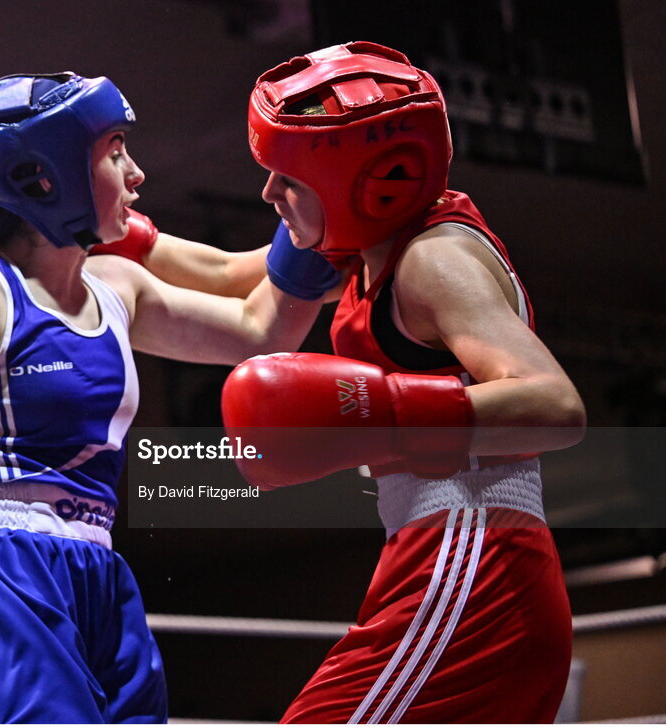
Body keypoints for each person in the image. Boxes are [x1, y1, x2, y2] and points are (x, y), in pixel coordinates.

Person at [0, 71, 327, 723]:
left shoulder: (119, 289)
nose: (136, 174)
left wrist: (328, 210)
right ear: (44, 175)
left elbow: (260, 330)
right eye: (114, 151)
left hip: (100, 575)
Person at [95, 41, 587, 723]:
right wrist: (122, 235)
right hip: (441, 560)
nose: (269, 194)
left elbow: (556, 403)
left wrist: (384, 412)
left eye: (287, 180)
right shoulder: (365, 246)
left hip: (473, 568)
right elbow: (230, 277)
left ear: (369, 182)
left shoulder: (433, 262)